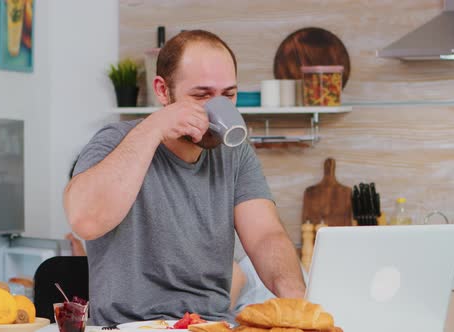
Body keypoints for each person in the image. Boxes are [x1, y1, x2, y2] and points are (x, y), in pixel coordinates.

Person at [63, 30, 305, 326]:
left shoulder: (235, 154)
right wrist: (154, 128)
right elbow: (85, 220)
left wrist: (298, 305)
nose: (218, 108)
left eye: (228, 95)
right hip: (129, 325)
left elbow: (266, 235)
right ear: (163, 91)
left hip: (211, 324)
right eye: (202, 95)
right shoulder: (114, 141)